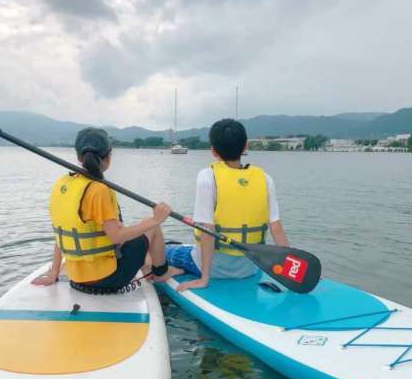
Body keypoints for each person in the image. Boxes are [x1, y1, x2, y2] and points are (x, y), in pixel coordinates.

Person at [32, 127, 174, 292]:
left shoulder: (63, 184)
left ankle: (147, 265)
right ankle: (161, 273)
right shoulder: (99, 190)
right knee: (152, 226)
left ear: (79, 157)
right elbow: (116, 237)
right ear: (108, 156)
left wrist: (54, 272)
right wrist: (156, 219)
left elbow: (61, 235)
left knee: (142, 226)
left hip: (76, 277)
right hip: (107, 278)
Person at [167, 118, 290, 292]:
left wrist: (204, 279)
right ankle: (179, 269)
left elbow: (206, 230)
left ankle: (176, 270)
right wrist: (295, 271)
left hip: (214, 268)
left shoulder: (207, 176)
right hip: (250, 268)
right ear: (246, 146)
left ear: (213, 150)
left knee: (164, 250)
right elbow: (276, 229)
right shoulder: (265, 179)